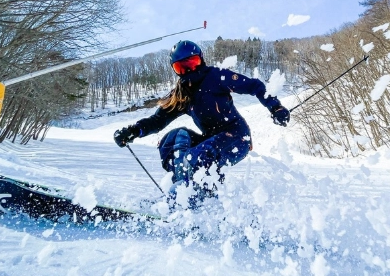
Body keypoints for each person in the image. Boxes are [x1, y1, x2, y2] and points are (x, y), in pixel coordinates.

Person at [113, 40, 290, 206]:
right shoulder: (182, 94)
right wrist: (133, 131)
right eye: (181, 67)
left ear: (201, 60)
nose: (188, 71)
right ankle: (182, 191)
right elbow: (158, 120)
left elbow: (254, 86)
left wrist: (276, 108)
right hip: (210, 139)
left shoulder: (216, 76)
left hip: (237, 137)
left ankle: (206, 201)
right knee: (173, 139)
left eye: (192, 63)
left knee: (199, 155)